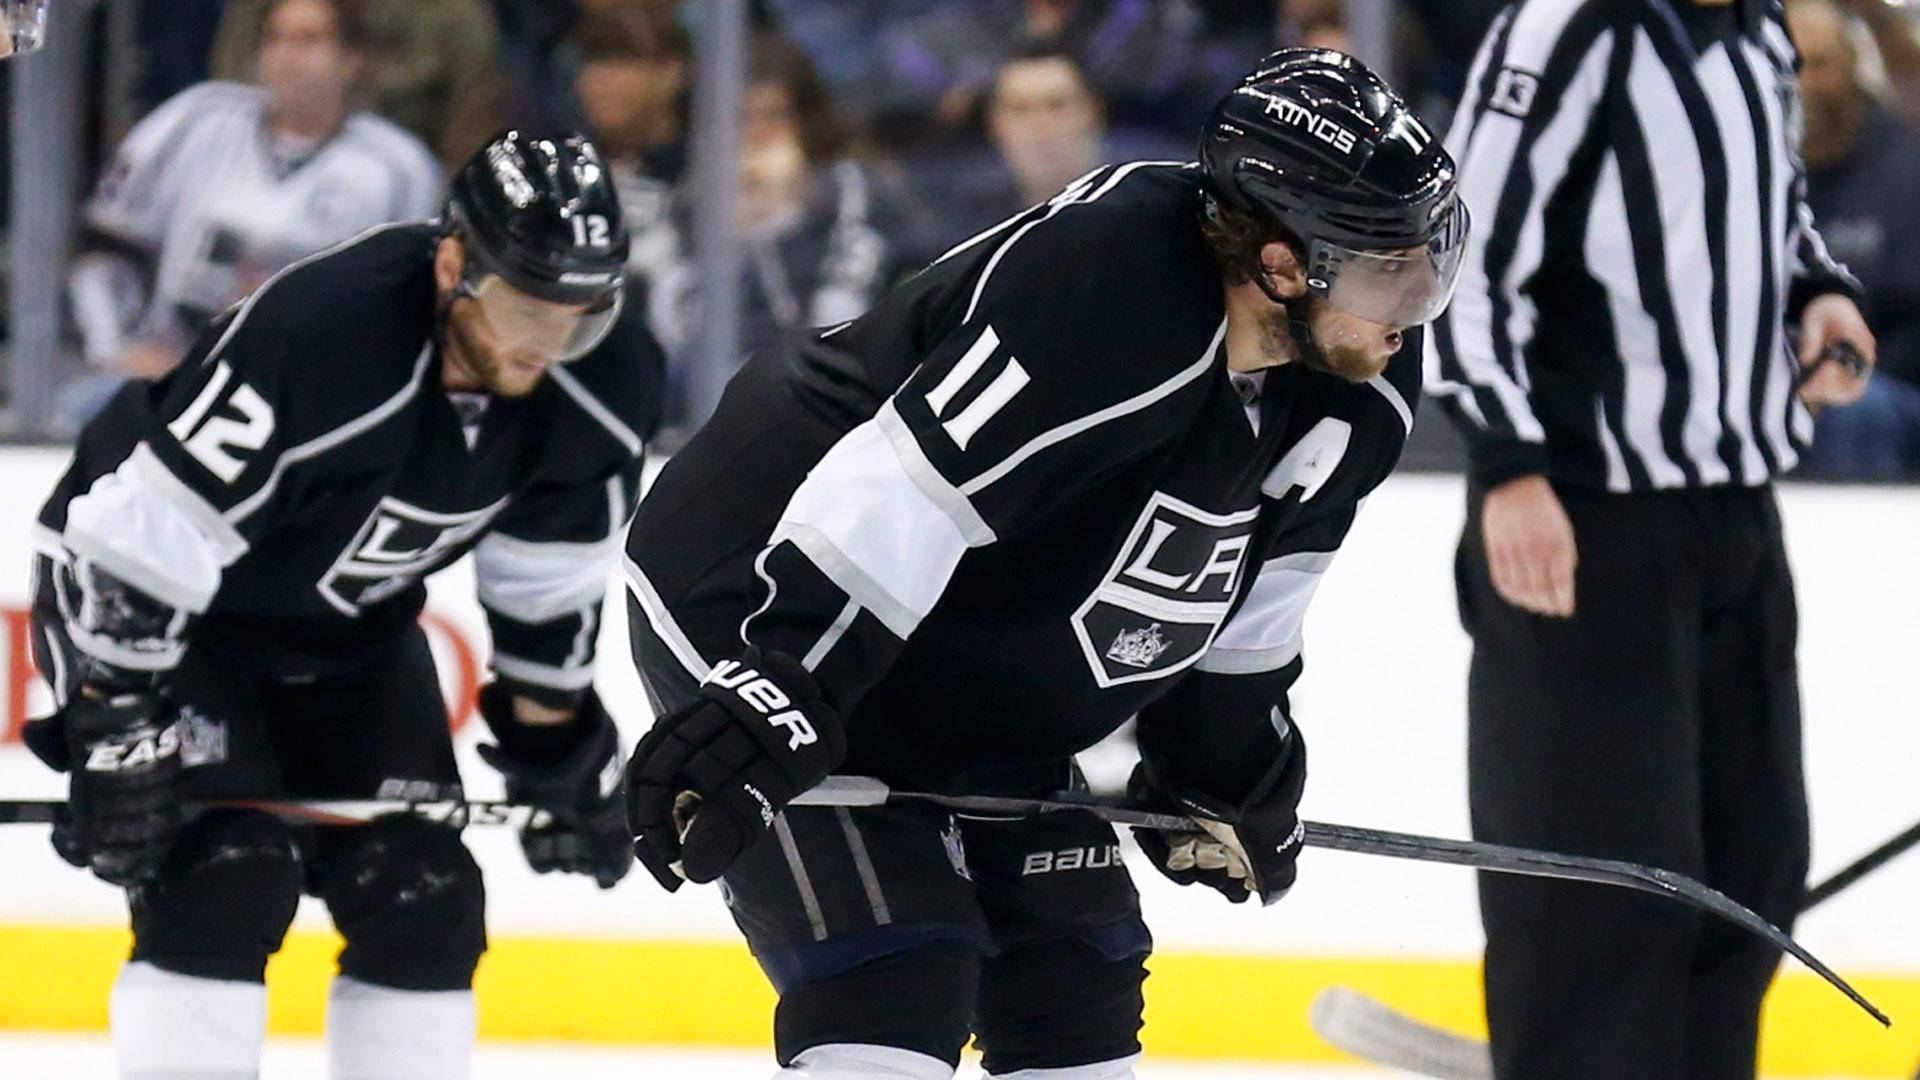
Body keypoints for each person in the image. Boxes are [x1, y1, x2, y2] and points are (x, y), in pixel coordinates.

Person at [622, 49, 1468, 1080]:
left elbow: (1255, 599)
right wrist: (777, 689)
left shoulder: (1360, 371)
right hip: (766, 585)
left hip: (966, 641)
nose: (1416, 300)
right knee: (893, 973)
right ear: (1281, 262)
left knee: (1075, 982)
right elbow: (903, 492)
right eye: (1389, 267)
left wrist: (1227, 768)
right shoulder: (1113, 279)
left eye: (1429, 256)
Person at [23, 131, 653, 1080]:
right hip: (159, 606)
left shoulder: (600, 385)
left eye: (577, 311)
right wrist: (115, 721)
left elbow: (545, 592)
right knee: (222, 875)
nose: (548, 341)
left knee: (425, 894)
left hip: (348, 636)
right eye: (527, 305)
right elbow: (146, 538)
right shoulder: (328, 331)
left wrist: (558, 757)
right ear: (453, 264)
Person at [1427, 1, 1876, 1077]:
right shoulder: (1569, 26)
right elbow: (1462, 249)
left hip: (1734, 511)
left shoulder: (1759, 26)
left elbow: (1768, 206)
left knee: (1750, 869)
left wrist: (1816, 292)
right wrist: (1510, 467)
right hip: (1586, 519)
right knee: (1604, 890)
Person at [69, 0, 442, 397]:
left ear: (351, 60)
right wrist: (119, 347)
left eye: (308, 40)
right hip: (164, 375)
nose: (286, 55)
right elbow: (104, 248)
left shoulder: (400, 169)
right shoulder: (195, 119)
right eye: (275, 38)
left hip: (311, 401)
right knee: (81, 404)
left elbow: (410, 312)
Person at [645, 32, 938, 440]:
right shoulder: (689, 206)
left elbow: (860, 313)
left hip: (845, 421)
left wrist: (787, 219)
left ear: (805, 122)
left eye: (774, 117)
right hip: (712, 424)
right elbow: (674, 341)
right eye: (741, 118)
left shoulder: (854, 193)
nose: (757, 136)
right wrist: (743, 236)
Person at [1789, 0, 1920, 479]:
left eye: (1821, 65)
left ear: (1855, 70)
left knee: (1854, 416)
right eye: (1791, 65)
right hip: (1774, 378)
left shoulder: (1906, 169)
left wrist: (1843, 373)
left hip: (1886, 385)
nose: (1804, 84)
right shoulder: (1745, 171)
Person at [211, 0, 506, 171]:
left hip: (398, 210)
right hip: (254, 186)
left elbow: (470, 150)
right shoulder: (263, 9)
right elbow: (227, 105)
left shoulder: (454, 19)